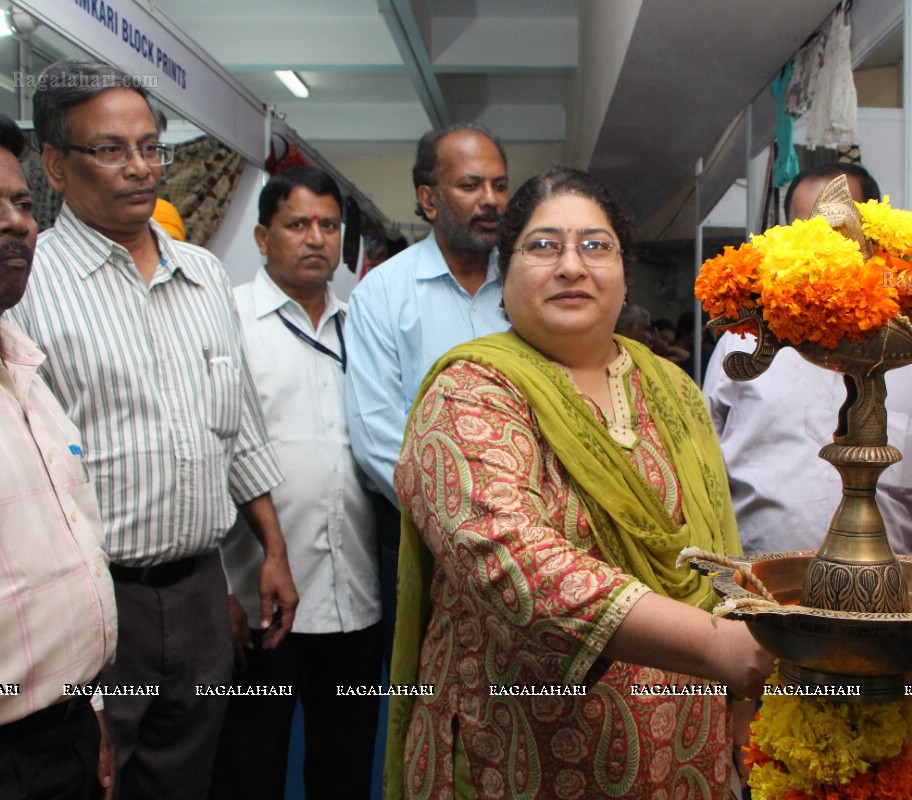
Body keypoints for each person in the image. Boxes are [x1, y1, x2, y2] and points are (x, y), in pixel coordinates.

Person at [384, 166, 774, 798]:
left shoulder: (673, 389)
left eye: (596, 245)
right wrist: (716, 648)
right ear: (503, 277)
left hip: (683, 750)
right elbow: (512, 562)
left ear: (624, 269)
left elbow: (718, 556)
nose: (571, 265)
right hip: (518, 749)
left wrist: (737, 695)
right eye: (543, 246)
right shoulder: (471, 392)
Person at [9, 60, 298, 799]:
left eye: (151, 146)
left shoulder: (203, 276)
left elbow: (237, 428)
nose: (140, 168)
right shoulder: (26, 288)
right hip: (103, 606)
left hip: (202, 594)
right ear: (55, 165)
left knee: (187, 780)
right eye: (111, 150)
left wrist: (272, 549)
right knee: (92, 781)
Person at [703, 162, 912, 695]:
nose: (822, 248)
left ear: (874, 233)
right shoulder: (742, 347)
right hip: (756, 626)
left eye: (837, 230)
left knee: (884, 778)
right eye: (803, 231)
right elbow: (702, 484)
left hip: (894, 636)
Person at [210, 167, 381, 800]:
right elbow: (210, 452)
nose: (316, 238)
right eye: (297, 224)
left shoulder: (362, 326)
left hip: (356, 596)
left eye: (329, 225)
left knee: (345, 761)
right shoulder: (225, 321)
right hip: (261, 599)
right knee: (250, 766)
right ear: (261, 237)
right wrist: (218, 586)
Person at [344, 122, 510, 666]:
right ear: (428, 199)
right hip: (422, 535)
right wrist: (463, 517)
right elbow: (375, 434)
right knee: (427, 688)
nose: (490, 200)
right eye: (470, 185)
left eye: (499, 185)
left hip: (527, 536)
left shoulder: (526, 287)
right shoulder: (383, 294)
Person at [0, 112, 118, 800]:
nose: (17, 223)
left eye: (20, 203)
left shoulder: (26, 370)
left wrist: (92, 709)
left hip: (65, 727)